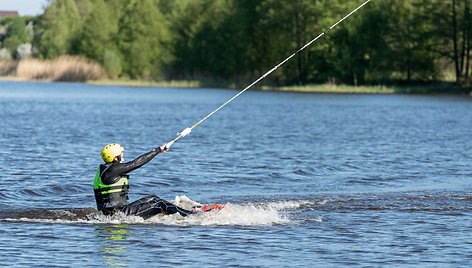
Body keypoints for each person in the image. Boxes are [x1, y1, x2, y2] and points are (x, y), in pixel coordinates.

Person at [93, 143, 222, 219]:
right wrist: (157, 151)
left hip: (114, 212)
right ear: (115, 158)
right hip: (118, 215)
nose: (123, 156)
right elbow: (137, 163)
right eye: (121, 154)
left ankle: (179, 213)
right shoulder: (113, 170)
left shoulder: (104, 169)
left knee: (152, 198)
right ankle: (193, 215)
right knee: (158, 203)